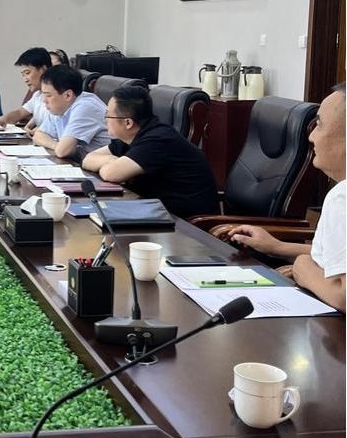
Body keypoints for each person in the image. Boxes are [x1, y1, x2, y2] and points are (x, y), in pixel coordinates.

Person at [226, 83, 346, 312]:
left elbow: (344, 297)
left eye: (320, 125)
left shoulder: (342, 197)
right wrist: (277, 247)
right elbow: (336, 257)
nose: (311, 136)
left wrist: (303, 268)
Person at [82, 86, 219, 219]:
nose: (105, 120)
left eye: (108, 115)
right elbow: (88, 159)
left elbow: (110, 174)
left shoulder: (158, 139)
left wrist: (113, 165)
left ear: (128, 123)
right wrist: (113, 161)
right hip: (156, 212)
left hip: (187, 223)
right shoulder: (131, 136)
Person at [32, 65, 109, 161]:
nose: (44, 101)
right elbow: (38, 135)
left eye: (48, 95)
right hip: (82, 162)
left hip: (105, 165)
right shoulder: (60, 107)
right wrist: (57, 145)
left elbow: (62, 152)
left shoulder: (85, 106)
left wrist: (58, 147)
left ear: (68, 95)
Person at [0, 47, 51, 130]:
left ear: (43, 69)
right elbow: (20, 113)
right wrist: (3, 119)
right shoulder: (37, 95)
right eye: (23, 75)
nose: (25, 79)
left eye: (27, 73)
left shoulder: (57, 95)